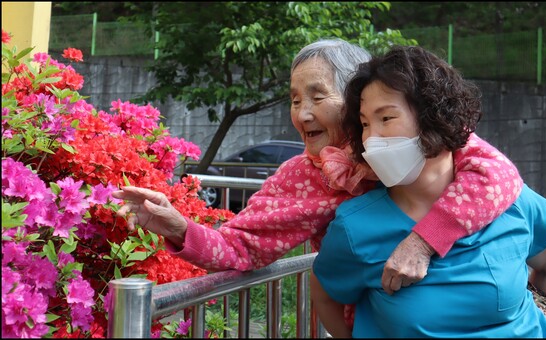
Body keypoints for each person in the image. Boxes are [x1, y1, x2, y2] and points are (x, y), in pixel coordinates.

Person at [111, 38, 522, 320]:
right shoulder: (303, 175)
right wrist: (180, 227)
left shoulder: (417, 136)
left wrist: (423, 242)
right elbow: (242, 245)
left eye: (318, 96)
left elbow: (499, 174)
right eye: (294, 99)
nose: (302, 113)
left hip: (479, 307)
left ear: (360, 97)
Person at [311, 45, 546, 338]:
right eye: (364, 124)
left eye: (386, 118)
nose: (372, 138)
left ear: (432, 115)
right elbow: (325, 296)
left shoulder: (507, 198)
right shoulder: (355, 225)